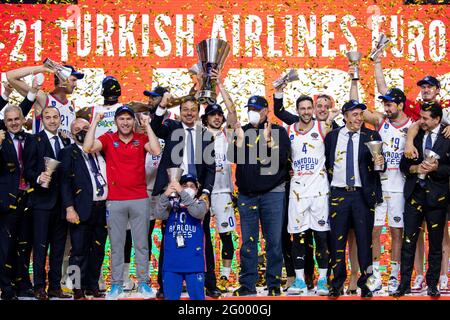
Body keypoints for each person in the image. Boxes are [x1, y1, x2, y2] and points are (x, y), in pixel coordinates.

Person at [83, 105, 161, 300]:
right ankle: (116, 286)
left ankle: (143, 283)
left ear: (133, 121)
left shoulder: (141, 138)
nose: (125, 122)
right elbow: (87, 147)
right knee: (117, 245)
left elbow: (156, 150)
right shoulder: (108, 139)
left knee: (142, 244)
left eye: (128, 119)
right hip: (115, 200)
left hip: (140, 198)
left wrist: (147, 125)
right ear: (116, 121)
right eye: (121, 119)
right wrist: (95, 122)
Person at [150, 95, 218, 297]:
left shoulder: (205, 135)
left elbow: (210, 168)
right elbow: (154, 127)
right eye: (185, 109)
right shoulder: (171, 127)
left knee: (203, 237)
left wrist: (205, 192)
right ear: (180, 112)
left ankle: (210, 283)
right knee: (169, 238)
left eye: (193, 110)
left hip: (195, 192)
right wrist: (162, 105)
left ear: (198, 113)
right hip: (172, 188)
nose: (189, 113)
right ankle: (164, 286)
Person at [274, 89, 338, 296]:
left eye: (309, 107)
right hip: (297, 192)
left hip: (319, 192)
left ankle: (322, 280)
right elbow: (281, 155)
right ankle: (300, 281)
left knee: (321, 237)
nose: (307, 111)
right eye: (303, 108)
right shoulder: (288, 129)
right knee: (298, 237)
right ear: (297, 110)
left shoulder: (323, 127)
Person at [230, 95, 291, 296]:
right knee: (248, 241)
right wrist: (238, 139)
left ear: (266, 111)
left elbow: (282, 161)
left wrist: (268, 143)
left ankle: (273, 284)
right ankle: (248, 284)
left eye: (257, 108)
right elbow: (234, 158)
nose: (253, 112)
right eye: (250, 108)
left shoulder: (278, 132)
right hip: (247, 195)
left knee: (273, 240)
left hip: (272, 193)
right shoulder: (243, 131)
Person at [324, 100, 385, 298]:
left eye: (361, 114)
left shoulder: (372, 135)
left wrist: (379, 163)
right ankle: (336, 284)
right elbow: (325, 163)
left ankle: (366, 286)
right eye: (355, 114)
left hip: (362, 195)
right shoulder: (333, 137)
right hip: (339, 194)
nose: (359, 118)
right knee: (336, 243)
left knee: (364, 241)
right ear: (345, 116)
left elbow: (379, 168)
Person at [394, 102, 450, 297]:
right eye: (421, 117)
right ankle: (404, 284)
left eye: (426, 118)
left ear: (437, 119)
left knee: (435, 243)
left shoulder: (447, 136)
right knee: (408, 242)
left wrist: (437, 169)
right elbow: (403, 166)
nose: (421, 121)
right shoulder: (414, 135)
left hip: (437, 197)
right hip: (414, 196)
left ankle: (432, 284)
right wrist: (415, 169)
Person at [23, 106, 72, 300]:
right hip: (41, 203)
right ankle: (39, 287)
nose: (52, 120)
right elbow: (27, 170)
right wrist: (38, 178)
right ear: (41, 120)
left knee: (58, 249)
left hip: (62, 205)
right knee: (40, 247)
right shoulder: (34, 140)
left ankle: (54, 287)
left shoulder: (65, 141)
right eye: (47, 117)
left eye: (55, 117)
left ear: (60, 119)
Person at [59, 118, 109, 299]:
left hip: (102, 208)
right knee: (78, 250)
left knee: (98, 249)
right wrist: (69, 208)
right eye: (77, 129)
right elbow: (64, 183)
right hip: (80, 208)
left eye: (86, 128)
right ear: (72, 134)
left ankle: (92, 285)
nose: (82, 131)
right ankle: (76, 287)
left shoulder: (101, 150)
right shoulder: (67, 153)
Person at [154, 174, 209, 300]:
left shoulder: (201, 203)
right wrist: (166, 194)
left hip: (194, 263)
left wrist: (181, 191)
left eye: (191, 186)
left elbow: (197, 213)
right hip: (172, 264)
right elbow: (158, 213)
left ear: (196, 190)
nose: (187, 189)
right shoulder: (171, 205)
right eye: (184, 186)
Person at [202, 103, 237, 293]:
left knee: (226, 236)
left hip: (223, 192)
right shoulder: (198, 134)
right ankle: (201, 275)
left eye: (219, 114)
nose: (216, 117)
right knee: (201, 237)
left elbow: (233, 113)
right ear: (206, 117)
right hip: (204, 193)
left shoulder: (226, 134)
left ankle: (224, 276)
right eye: (212, 114)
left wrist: (219, 85)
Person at [0, 106, 34, 300]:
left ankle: (23, 284)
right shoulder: (1, 141)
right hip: (6, 201)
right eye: (9, 120)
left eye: (16, 119)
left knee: (25, 244)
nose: (13, 122)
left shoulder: (30, 140)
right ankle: (6, 287)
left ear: (23, 120)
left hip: (28, 199)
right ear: (5, 122)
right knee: (5, 246)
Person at [6, 62, 84, 135]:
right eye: (73, 80)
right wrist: (42, 68)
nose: (75, 84)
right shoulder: (43, 98)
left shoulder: (71, 105)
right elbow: (11, 76)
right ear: (62, 80)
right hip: (43, 149)